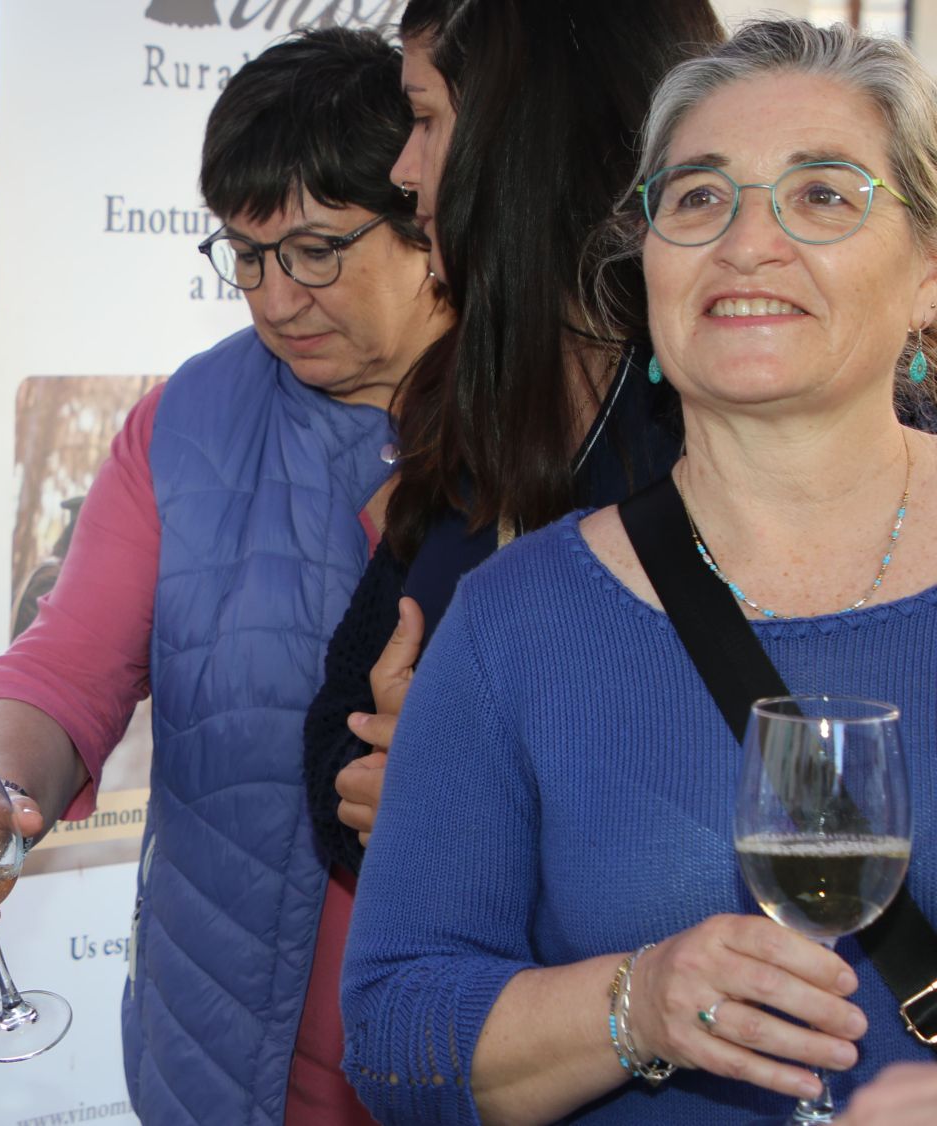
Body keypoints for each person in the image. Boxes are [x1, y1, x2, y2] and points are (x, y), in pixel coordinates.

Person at [343, 20, 937, 1122]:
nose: (745, 243)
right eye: (698, 198)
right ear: (645, 262)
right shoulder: (516, 622)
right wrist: (634, 1003)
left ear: (926, 274)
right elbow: (391, 1036)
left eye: (820, 196)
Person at [0, 29, 451, 1124]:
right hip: (222, 1051)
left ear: (431, 217)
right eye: (244, 253)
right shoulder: (188, 420)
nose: (275, 298)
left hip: (474, 1059)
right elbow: (64, 666)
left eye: (317, 249)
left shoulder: (565, 428)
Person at [306, 0, 725, 870]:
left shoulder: (724, 413)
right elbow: (338, 760)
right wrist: (401, 788)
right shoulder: (481, 392)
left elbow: (812, 807)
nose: (405, 170)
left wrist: (475, 804)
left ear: (522, 134)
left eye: (426, 119)